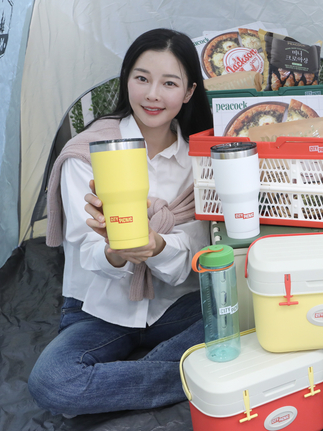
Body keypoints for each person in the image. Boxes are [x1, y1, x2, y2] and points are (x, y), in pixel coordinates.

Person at [28, 28, 213, 416]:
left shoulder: (201, 158)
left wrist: (156, 247)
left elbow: (193, 252)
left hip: (175, 305)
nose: (152, 94)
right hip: (100, 310)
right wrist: (116, 252)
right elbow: (85, 251)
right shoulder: (88, 154)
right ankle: (193, 375)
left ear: (189, 91)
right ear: (126, 79)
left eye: (169, 83)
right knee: (53, 382)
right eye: (142, 78)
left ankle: (123, 384)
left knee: (243, 317)